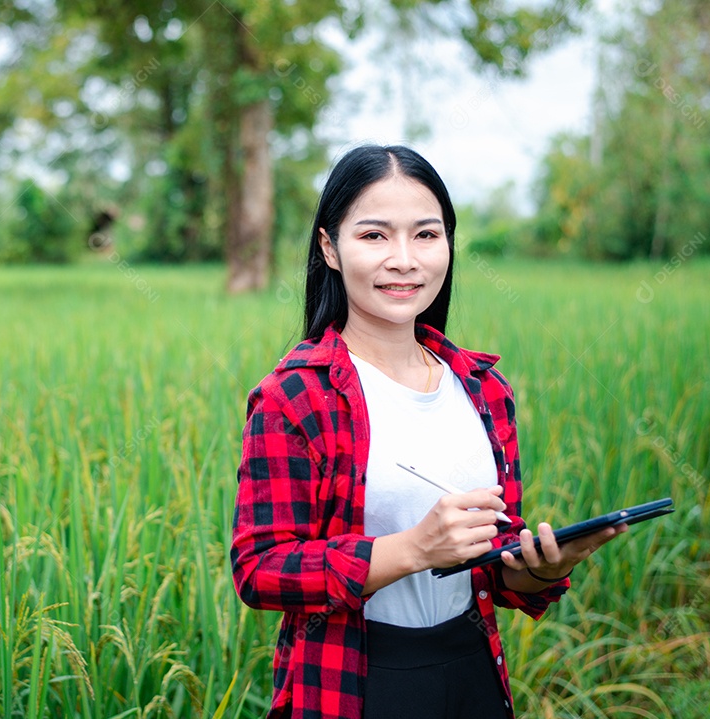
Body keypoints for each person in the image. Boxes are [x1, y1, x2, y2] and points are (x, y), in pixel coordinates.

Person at [229, 145, 626, 719]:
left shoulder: (484, 390)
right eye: (374, 236)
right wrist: (412, 549)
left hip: (472, 668)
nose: (404, 260)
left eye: (426, 234)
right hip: (355, 681)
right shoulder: (295, 398)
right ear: (329, 249)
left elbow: (492, 558)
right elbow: (261, 568)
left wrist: (540, 568)